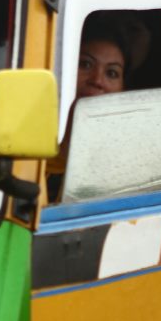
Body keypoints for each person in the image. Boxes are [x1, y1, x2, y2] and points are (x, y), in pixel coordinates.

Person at [46, 18, 131, 200]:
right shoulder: (20, 150)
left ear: (122, 90)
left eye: (112, 73)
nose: (97, 80)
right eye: (85, 64)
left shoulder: (126, 166)